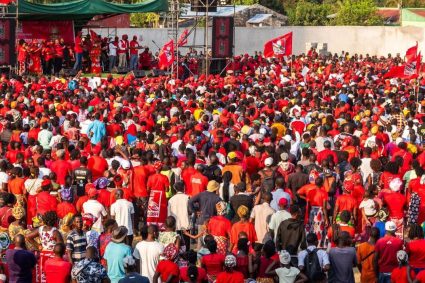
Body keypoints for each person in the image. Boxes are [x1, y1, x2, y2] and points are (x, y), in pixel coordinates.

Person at [25, 211, 64, 283]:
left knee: (43, 275)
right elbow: (60, 246)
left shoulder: (40, 229)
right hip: (53, 256)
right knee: (51, 276)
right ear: (55, 220)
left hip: (43, 255)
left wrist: (38, 246)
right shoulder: (55, 232)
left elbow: (27, 236)